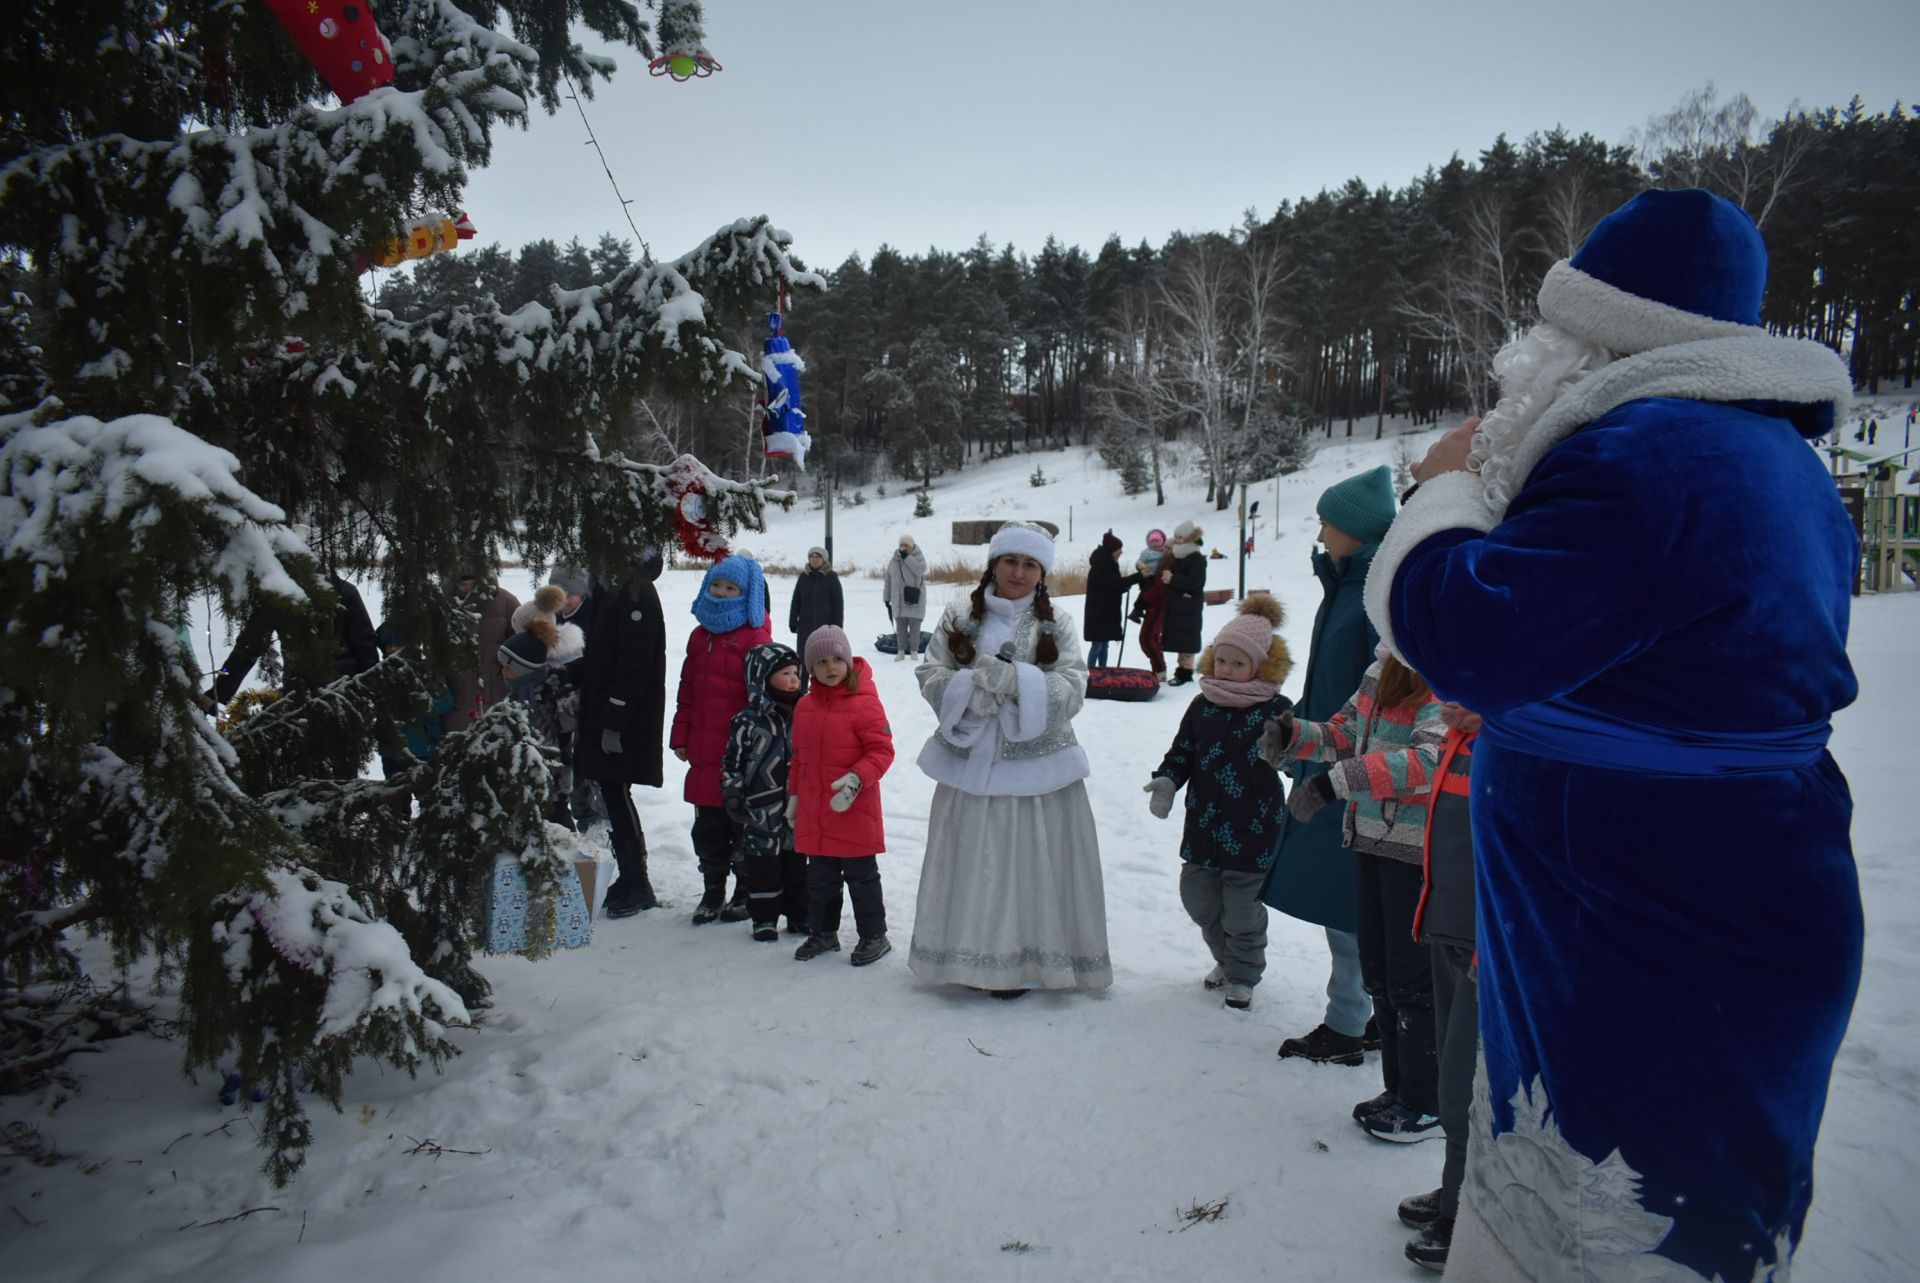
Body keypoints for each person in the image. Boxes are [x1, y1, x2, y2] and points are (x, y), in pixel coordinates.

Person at [1367, 189, 1860, 1281]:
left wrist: (1446, 489)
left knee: (1621, 1213)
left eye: (1552, 330)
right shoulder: (1757, 450)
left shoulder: (1657, 452)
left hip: (1654, 918)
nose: (1526, 355)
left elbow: (1466, 635)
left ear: (1603, 332)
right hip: (1682, 890)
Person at [909, 521, 1110, 996]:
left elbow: (1074, 682)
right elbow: (931, 669)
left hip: (1037, 768)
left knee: (1029, 866)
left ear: (1042, 572)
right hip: (970, 761)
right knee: (975, 863)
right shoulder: (960, 613)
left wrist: (1020, 683)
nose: (1018, 572)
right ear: (993, 564)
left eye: (1029, 564)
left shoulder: (1055, 622)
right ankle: (971, 959)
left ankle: (1023, 962)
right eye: (1010, 561)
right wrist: (965, 692)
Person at [1261, 652, 1444, 1141]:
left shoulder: (1444, 671)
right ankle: (1400, 1091)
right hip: (1369, 840)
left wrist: (1336, 782)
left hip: (1416, 851)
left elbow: (1431, 761)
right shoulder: (1380, 667)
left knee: (1412, 981)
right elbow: (1345, 733)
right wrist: (1295, 735)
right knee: (1380, 974)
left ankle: (1427, 1103)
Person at [1259, 465, 1398, 1066]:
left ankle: (1350, 1024)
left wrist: (1341, 754)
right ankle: (1362, 1016)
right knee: (1344, 896)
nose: (1319, 529)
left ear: (1354, 529)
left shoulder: (1373, 592)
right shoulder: (1345, 582)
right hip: (1327, 753)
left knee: (1347, 898)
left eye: (1326, 520)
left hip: (1360, 772)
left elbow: (1383, 691)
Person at [1144, 593, 1293, 1011]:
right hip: (1205, 824)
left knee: (1242, 911)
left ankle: (1242, 974)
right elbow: (1183, 750)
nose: (1226, 669)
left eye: (1238, 663)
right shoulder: (1202, 703)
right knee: (1198, 898)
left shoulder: (1276, 708)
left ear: (1261, 666)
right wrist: (1168, 781)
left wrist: (1292, 757)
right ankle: (1226, 960)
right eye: (1221, 660)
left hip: (1253, 828)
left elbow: (1294, 757)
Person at [1395, 701, 1481, 1274]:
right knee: (1456, 1088)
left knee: (1465, 1090)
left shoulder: (1511, 741)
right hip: (1449, 927)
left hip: (1486, 946)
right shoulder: (1464, 735)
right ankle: (1457, 1194)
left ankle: (1469, 1219)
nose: (1442, 698)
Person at [670, 554, 774, 924]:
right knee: (707, 827)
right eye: (717, 585)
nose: (722, 592)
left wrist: (758, 750)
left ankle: (744, 891)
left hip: (740, 756)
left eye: (731, 588)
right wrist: (680, 734)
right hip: (702, 748)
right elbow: (687, 691)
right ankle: (712, 889)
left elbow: (765, 702)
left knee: (741, 826)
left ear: (747, 595)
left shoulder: (755, 637)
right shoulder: (700, 637)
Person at [788, 627, 896, 965]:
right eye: (820, 661)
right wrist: (794, 797)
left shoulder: (864, 702)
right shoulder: (804, 707)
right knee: (820, 878)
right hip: (816, 811)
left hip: (854, 810)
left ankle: (874, 935)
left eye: (837, 659)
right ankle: (823, 933)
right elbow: (799, 759)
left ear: (848, 661)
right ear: (810, 668)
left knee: (861, 877)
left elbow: (882, 751)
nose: (830, 667)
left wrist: (854, 781)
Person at [571, 550, 668, 917]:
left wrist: (615, 718)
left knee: (616, 792)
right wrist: (571, 674)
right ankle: (630, 878)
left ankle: (637, 881)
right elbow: (602, 653)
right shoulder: (612, 589)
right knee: (612, 793)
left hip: (625, 717)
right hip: (607, 712)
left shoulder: (636, 593)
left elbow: (634, 661)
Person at [722, 643, 810, 942]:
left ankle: (800, 915)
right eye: (785, 673)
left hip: (799, 806)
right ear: (761, 677)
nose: (794, 679)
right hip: (760, 806)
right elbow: (732, 762)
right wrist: (732, 791)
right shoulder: (747, 721)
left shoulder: (806, 714)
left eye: (796, 673)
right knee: (763, 865)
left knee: (798, 864)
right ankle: (764, 918)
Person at [496, 613, 588, 829]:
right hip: (525, 780)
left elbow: (568, 729)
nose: (502, 672)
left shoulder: (552, 693)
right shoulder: (516, 694)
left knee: (557, 826)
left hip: (554, 781)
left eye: (508, 667)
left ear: (525, 670)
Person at [1161, 521, 1208, 686]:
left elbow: (1196, 582)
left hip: (1189, 607)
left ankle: (1186, 672)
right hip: (1178, 606)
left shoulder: (1197, 559)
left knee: (1187, 640)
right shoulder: (1179, 556)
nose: (1178, 540)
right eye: (1176, 537)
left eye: (1181, 537)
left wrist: (1173, 578)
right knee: (1180, 639)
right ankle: (1181, 670)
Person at [788, 546, 843, 663]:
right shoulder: (803, 577)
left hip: (825, 629)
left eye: (818, 556)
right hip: (805, 628)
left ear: (824, 559)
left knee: (823, 659)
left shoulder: (832, 577)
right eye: (812, 556)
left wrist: (837, 627)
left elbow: (838, 604)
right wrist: (793, 620)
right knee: (803, 659)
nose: (814, 559)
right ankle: (801, 682)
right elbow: (796, 600)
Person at [1083, 530, 1128, 669]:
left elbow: (1112, 586)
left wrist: (1122, 587)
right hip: (1099, 613)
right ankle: (1090, 671)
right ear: (1112, 550)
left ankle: (1103, 671)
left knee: (1104, 644)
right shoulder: (1102, 566)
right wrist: (1138, 577)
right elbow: (1114, 584)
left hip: (1107, 612)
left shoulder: (1108, 564)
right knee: (1098, 644)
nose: (1121, 552)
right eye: (1119, 549)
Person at [1131, 529, 1170, 681]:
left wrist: (1146, 596)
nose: (1155, 544)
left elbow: (1160, 586)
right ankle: (1159, 671)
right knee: (1150, 638)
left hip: (1156, 604)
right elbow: (1139, 563)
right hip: (1152, 600)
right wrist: (1141, 571)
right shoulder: (1148, 554)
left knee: (1148, 638)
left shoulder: (1166, 560)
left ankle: (1160, 671)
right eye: (1152, 541)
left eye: (1158, 541)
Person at [883, 534, 929, 660]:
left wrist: (907, 558)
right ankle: (901, 651)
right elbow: (888, 579)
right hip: (898, 600)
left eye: (906, 545)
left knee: (915, 628)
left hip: (914, 599)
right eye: (901, 545)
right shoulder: (894, 560)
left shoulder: (918, 556)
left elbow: (920, 569)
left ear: (912, 545)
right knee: (901, 628)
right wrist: (886, 597)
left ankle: (914, 651)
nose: (903, 548)